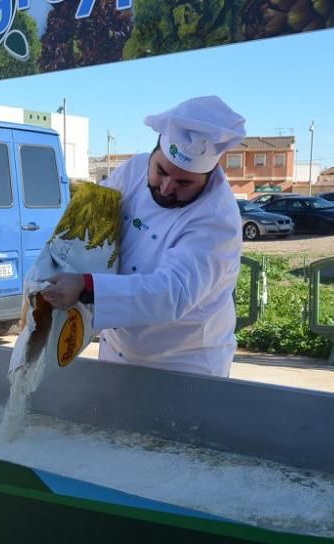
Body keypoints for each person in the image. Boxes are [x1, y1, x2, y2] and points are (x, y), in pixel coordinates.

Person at [42, 96, 247, 377]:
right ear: (153, 153)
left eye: (184, 183)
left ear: (208, 176)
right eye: (161, 171)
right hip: (117, 348)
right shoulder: (133, 170)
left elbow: (174, 293)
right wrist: (52, 267)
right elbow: (90, 223)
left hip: (183, 361)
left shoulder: (217, 221)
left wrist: (85, 285)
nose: (166, 188)